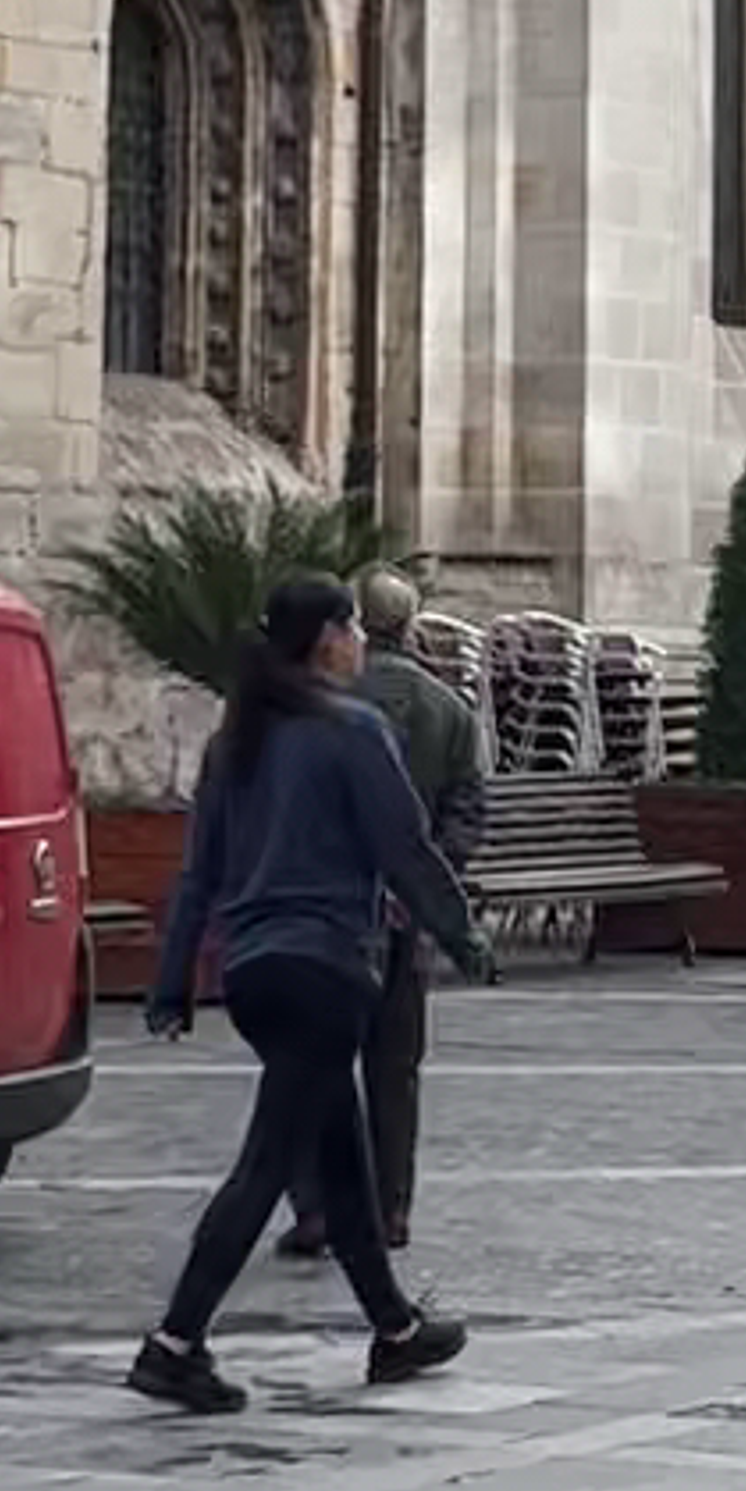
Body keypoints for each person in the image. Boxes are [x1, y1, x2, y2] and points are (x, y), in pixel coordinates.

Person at [133, 573, 488, 1415]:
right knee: (265, 1164)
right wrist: (463, 935)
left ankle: (395, 1329)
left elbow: (198, 874)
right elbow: (405, 850)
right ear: (330, 638)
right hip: (326, 968)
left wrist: (172, 981)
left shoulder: (236, 741)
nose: (362, 641)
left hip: (254, 974)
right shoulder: (353, 730)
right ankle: (175, 1342)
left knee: (339, 1154)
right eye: (353, 628)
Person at [280, 569, 488, 1263]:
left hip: (328, 916)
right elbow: (465, 810)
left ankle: (315, 1208)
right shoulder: (450, 710)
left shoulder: (319, 706)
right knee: (394, 1068)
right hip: (407, 916)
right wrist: (437, 887)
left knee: (312, 1065)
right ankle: (391, 1207)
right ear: (415, 624)